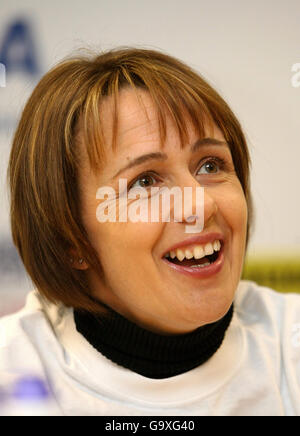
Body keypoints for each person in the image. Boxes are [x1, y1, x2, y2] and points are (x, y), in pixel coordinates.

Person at [1, 47, 299, 416]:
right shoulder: (12, 371)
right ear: (69, 238)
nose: (201, 206)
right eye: (144, 182)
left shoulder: (289, 346)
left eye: (210, 165)